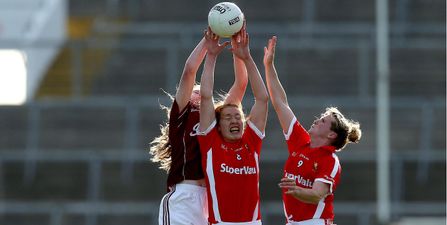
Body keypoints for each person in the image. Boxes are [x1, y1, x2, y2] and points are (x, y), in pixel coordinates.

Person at [150, 31, 248, 225]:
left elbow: (241, 83)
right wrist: (209, 38)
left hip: (213, 201)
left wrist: (238, 51)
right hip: (184, 198)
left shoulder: (218, 118)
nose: (198, 91)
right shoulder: (180, 119)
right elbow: (189, 71)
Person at [263, 36, 362, 225]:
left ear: (331, 135)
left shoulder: (329, 161)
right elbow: (281, 103)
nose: (317, 121)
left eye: (323, 121)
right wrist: (269, 66)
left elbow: (317, 194)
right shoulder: (300, 141)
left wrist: (296, 190)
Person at [197, 25, 269, 225]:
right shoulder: (210, 142)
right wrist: (211, 56)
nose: (235, 120)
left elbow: (262, 99)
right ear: (218, 126)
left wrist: (246, 57)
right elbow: (205, 96)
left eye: (237, 116)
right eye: (227, 118)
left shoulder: (251, 141)